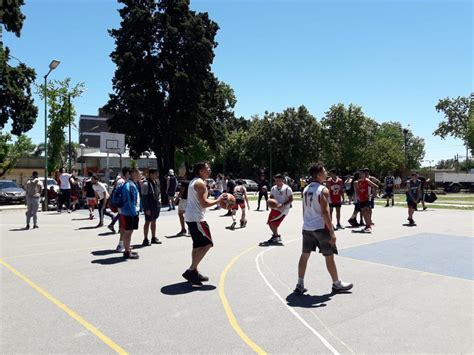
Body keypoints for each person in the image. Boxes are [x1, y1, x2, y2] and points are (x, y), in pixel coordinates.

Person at [294, 163, 353, 294]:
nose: (326, 174)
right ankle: (336, 284)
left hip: (308, 227)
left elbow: (304, 209)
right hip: (321, 228)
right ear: (319, 174)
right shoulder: (323, 190)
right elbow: (325, 212)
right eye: (324, 172)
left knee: (305, 254)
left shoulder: (305, 189)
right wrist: (332, 231)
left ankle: (300, 283)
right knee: (329, 256)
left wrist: (306, 223)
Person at [183, 162, 225, 287]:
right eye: (207, 168)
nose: (209, 169)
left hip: (191, 217)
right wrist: (219, 200)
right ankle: (191, 270)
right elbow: (204, 203)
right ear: (201, 171)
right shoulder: (200, 183)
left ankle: (194, 271)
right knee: (207, 244)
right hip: (197, 218)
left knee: (197, 246)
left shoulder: (195, 181)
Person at [119, 168, 141, 259]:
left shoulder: (130, 184)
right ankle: (127, 252)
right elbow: (131, 201)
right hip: (130, 213)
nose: (140, 175)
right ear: (134, 173)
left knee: (129, 231)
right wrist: (134, 212)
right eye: (139, 173)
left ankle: (127, 249)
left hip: (128, 212)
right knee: (128, 232)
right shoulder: (131, 185)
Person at [265, 173, 293, 244]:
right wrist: (271, 202)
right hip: (275, 208)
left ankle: (276, 236)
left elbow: (291, 199)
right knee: (270, 222)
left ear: (282, 180)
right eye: (275, 180)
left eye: (277, 180)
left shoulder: (287, 188)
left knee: (273, 223)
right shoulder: (273, 188)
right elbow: (271, 197)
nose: (276, 182)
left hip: (283, 209)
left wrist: (283, 205)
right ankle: (276, 236)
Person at [141, 168, 162, 246]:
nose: (157, 175)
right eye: (156, 173)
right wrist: (146, 208)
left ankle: (153, 237)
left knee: (154, 221)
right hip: (149, 206)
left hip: (156, 205)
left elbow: (158, 193)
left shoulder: (156, 182)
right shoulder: (146, 184)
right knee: (147, 221)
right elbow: (144, 197)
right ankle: (145, 239)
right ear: (151, 174)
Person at [112, 167, 131, 251]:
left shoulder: (121, 181)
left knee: (124, 226)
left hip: (122, 207)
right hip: (123, 208)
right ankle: (121, 245)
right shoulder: (121, 182)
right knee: (124, 227)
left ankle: (124, 244)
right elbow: (121, 196)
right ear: (127, 173)